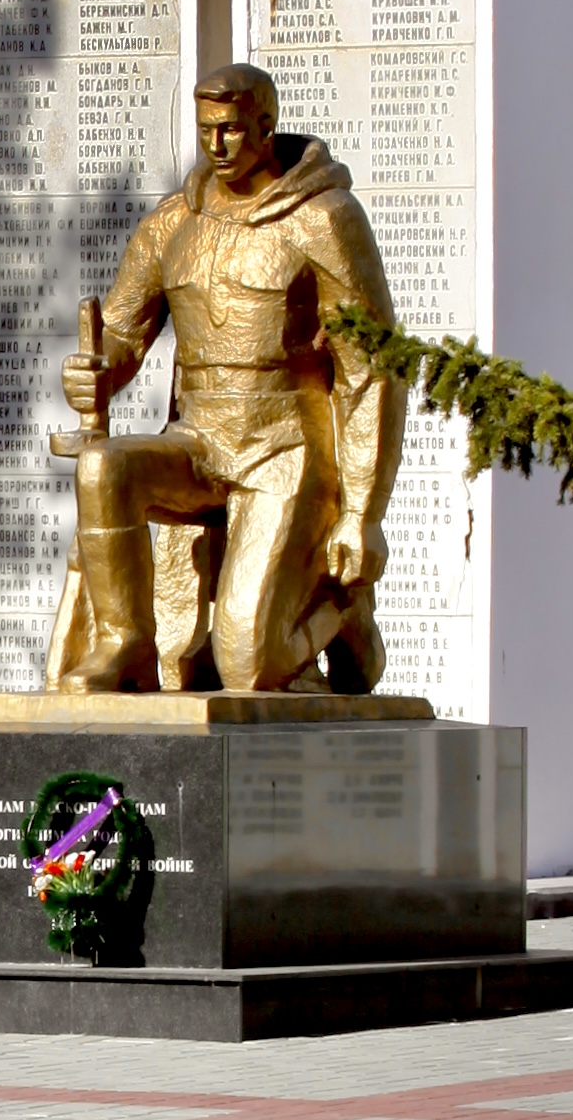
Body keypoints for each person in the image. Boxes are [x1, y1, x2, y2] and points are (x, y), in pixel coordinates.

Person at [47, 61, 406, 695]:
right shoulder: (171, 224)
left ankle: (339, 611)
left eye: (233, 130)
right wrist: (97, 370)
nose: (217, 145)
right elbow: (125, 333)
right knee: (103, 468)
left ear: (266, 128)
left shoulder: (324, 219)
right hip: (199, 440)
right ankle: (125, 644)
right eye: (208, 129)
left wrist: (363, 514)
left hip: (286, 450)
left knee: (246, 667)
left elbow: (371, 370)